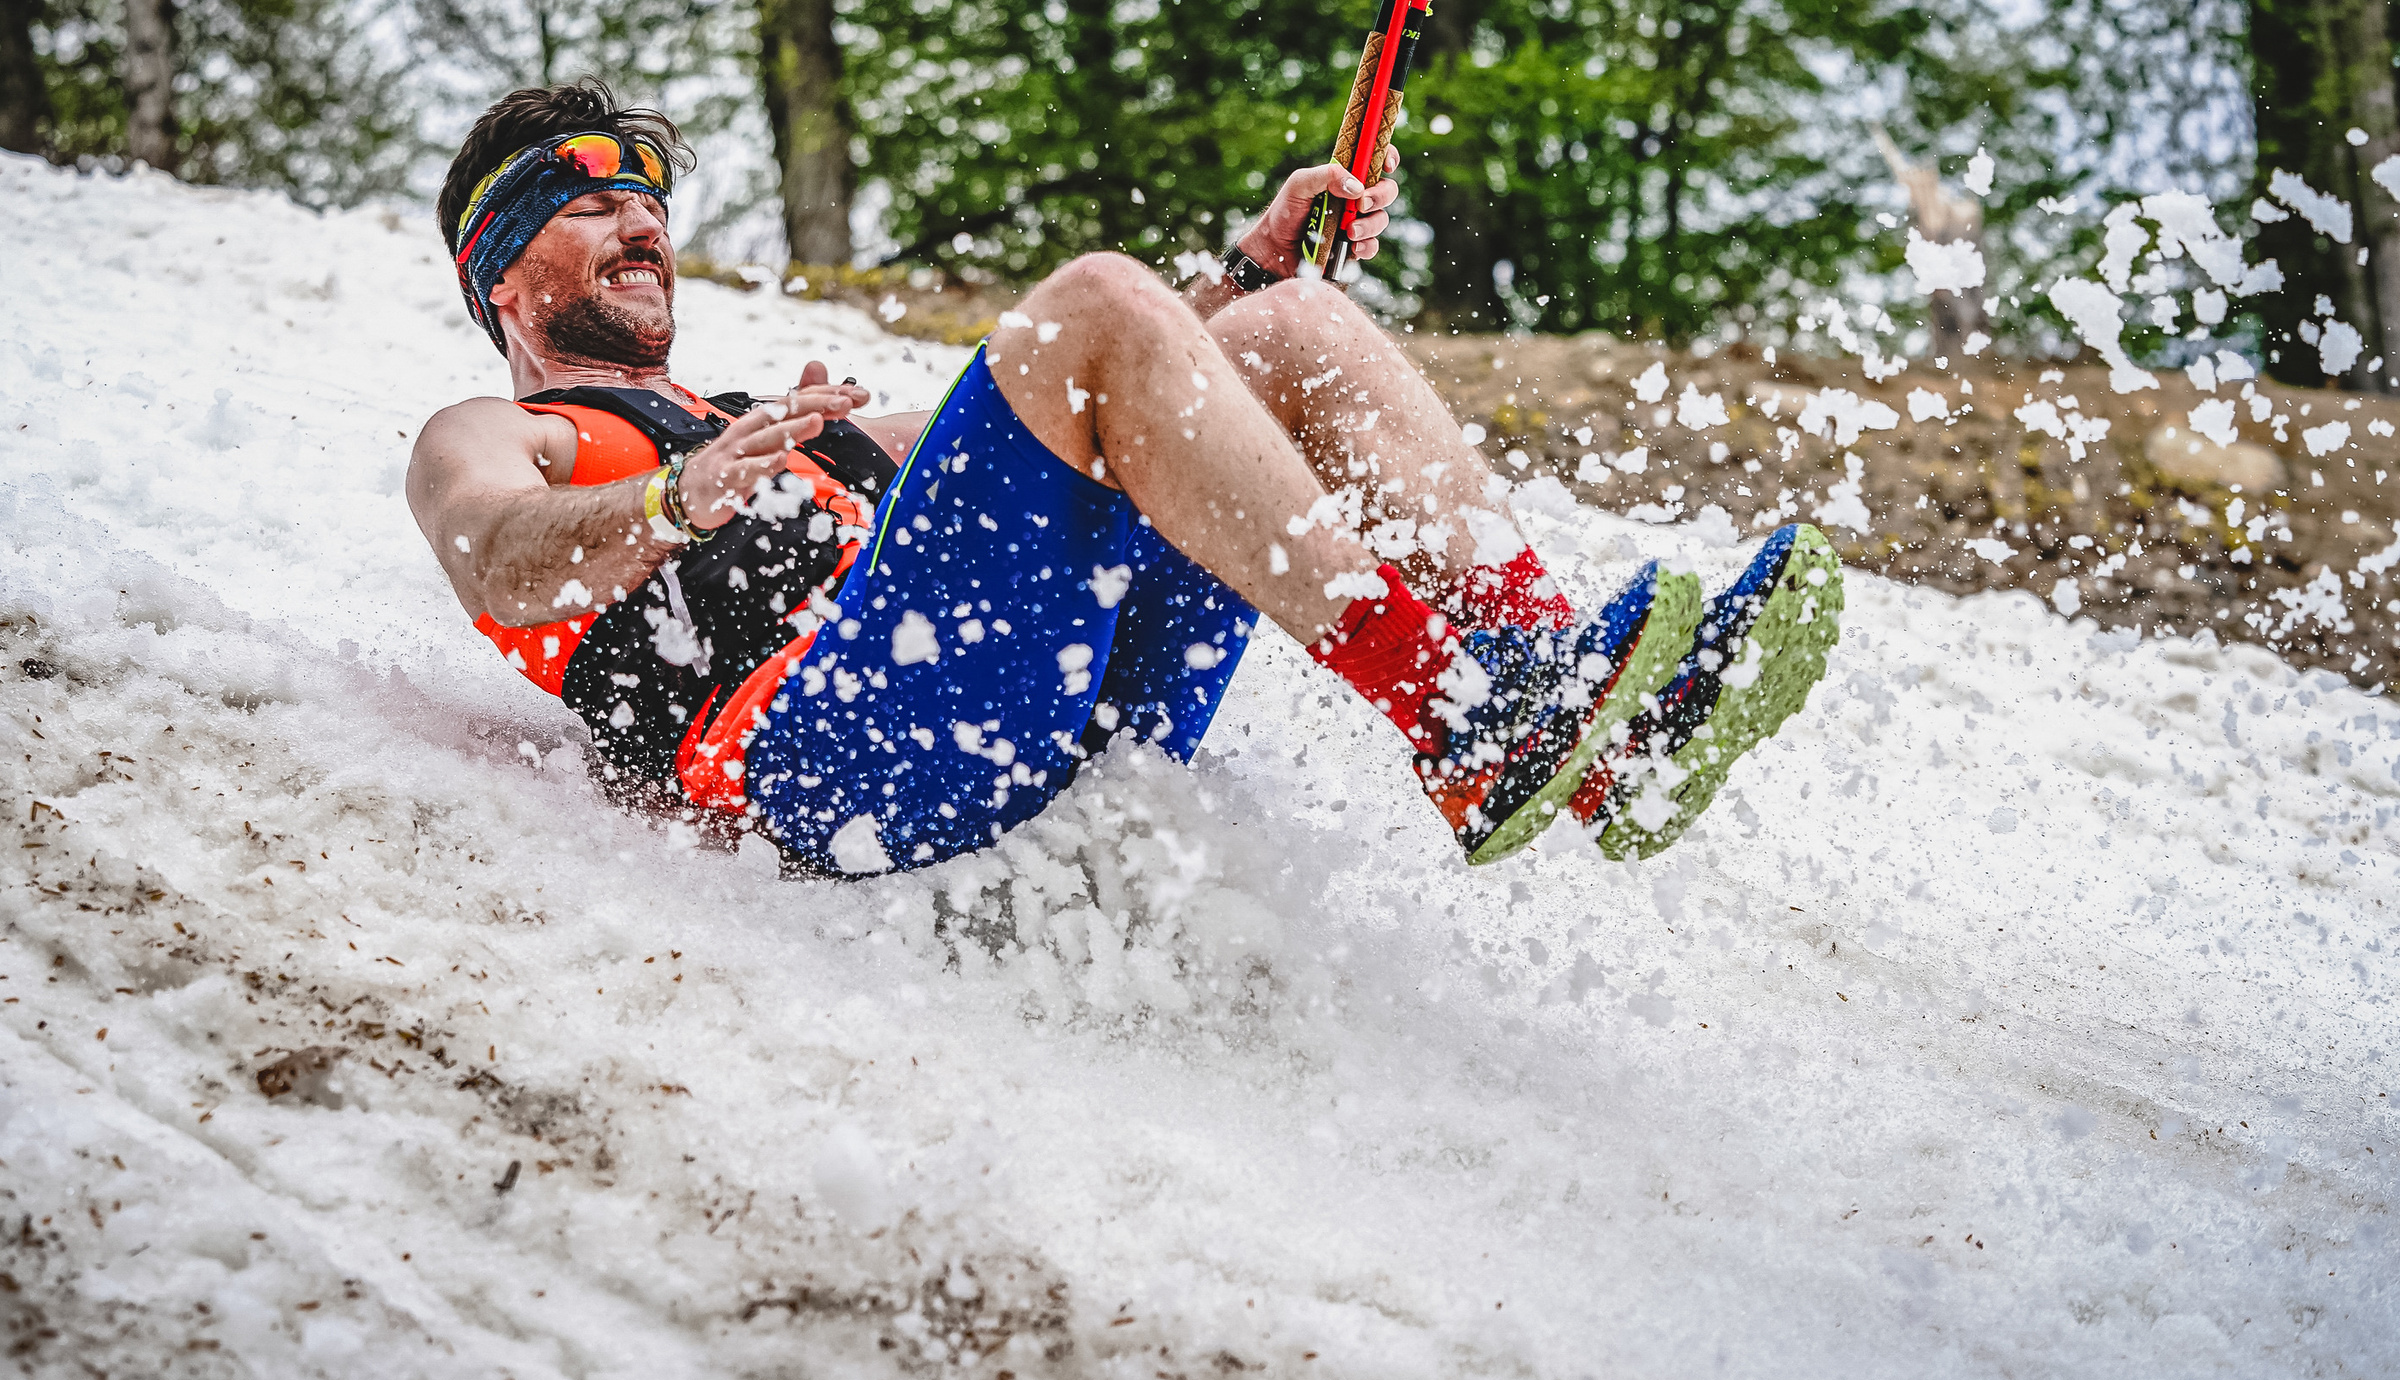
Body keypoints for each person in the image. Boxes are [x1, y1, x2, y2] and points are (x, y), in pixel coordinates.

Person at [407, 79, 1843, 874]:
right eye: (588, 204)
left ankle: (1554, 701)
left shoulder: (777, 426)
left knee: (1279, 328)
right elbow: (493, 550)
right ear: (500, 272)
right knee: (1088, 295)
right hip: (836, 764)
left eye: (645, 203)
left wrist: (1244, 273)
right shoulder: (495, 434)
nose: (637, 223)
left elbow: (1069, 403)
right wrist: (676, 496)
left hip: (1022, 698)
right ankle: (1454, 714)